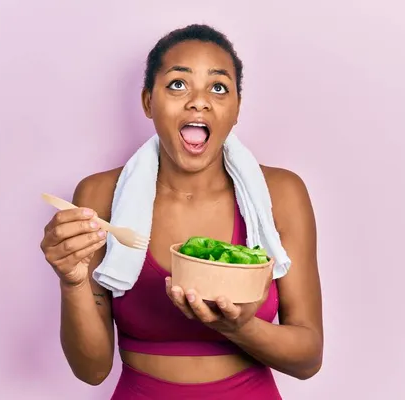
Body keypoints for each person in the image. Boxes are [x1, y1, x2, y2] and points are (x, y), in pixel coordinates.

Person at [40, 24, 323, 399]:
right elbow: (92, 371)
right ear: (148, 102)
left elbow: (308, 358)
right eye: (178, 84)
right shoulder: (99, 195)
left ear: (236, 108)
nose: (199, 101)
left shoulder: (281, 194)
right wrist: (72, 282)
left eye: (219, 87)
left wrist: (239, 327)